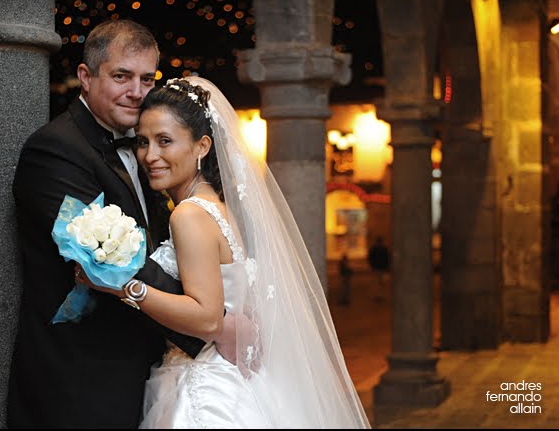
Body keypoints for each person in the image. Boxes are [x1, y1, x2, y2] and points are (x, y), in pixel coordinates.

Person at [77, 77, 370, 428]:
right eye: (143, 141)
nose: (150, 156)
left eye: (165, 141)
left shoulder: (189, 215)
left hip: (205, 386)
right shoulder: (218, 208)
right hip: (232, 376)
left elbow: (208, 318)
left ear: (202, 146)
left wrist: (121, 286)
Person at [7, 20, 215, 428]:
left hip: (146, 369)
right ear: (86, 77)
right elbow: (115, 261)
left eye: (146, 79)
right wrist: (207, 323)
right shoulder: (55, 151)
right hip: (82, 377)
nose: (137, 91)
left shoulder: (146, 148)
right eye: (122, 76)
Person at [367, 236, 390, 301]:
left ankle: (380, 295)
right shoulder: (375, 249)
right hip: (377, 268)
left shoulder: (383, 249)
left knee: (381, 282)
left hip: (380, 268)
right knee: (377, 282)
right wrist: (372, 265)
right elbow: (370, 258)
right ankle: (377, 295)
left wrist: (386, 267)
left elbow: (387, 259)